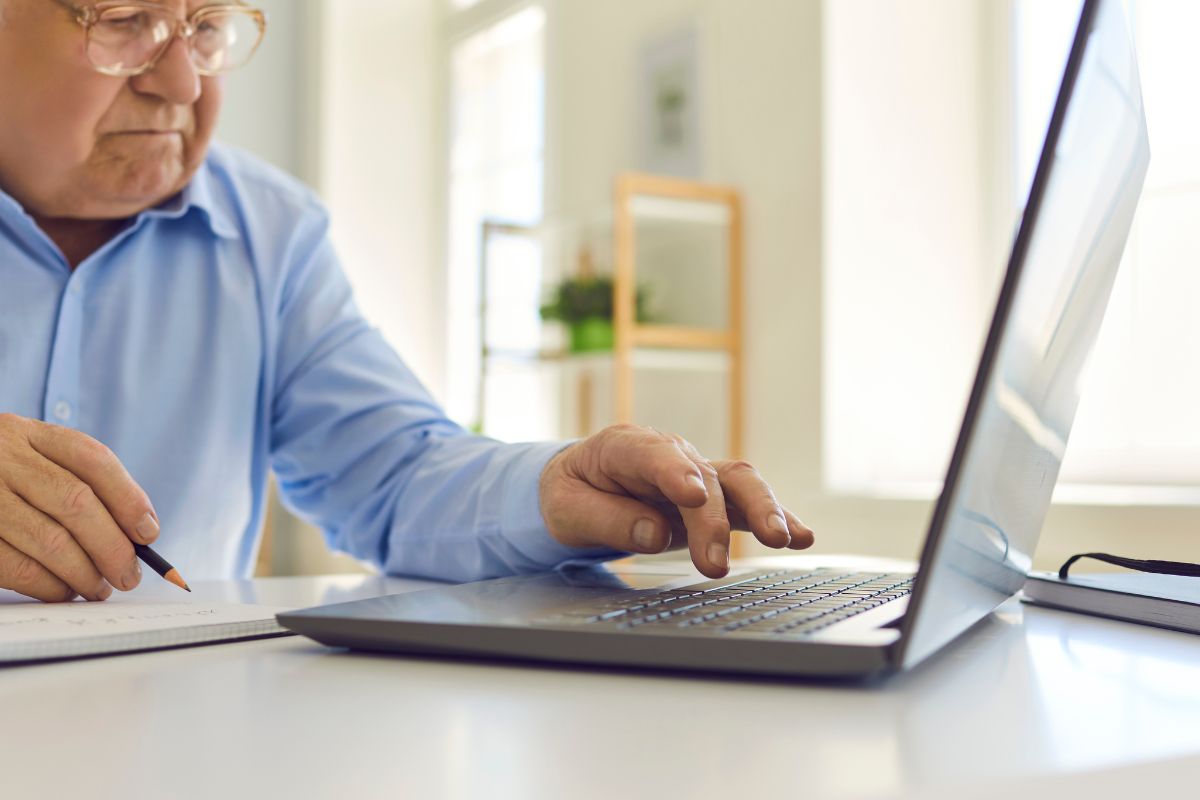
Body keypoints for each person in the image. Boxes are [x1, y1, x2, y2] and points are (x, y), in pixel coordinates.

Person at [0, 0, 813, 604]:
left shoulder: (273, 231)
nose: (181, 80)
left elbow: (393, 476)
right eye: (125, 18)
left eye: (206, 28)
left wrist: (555, 490)